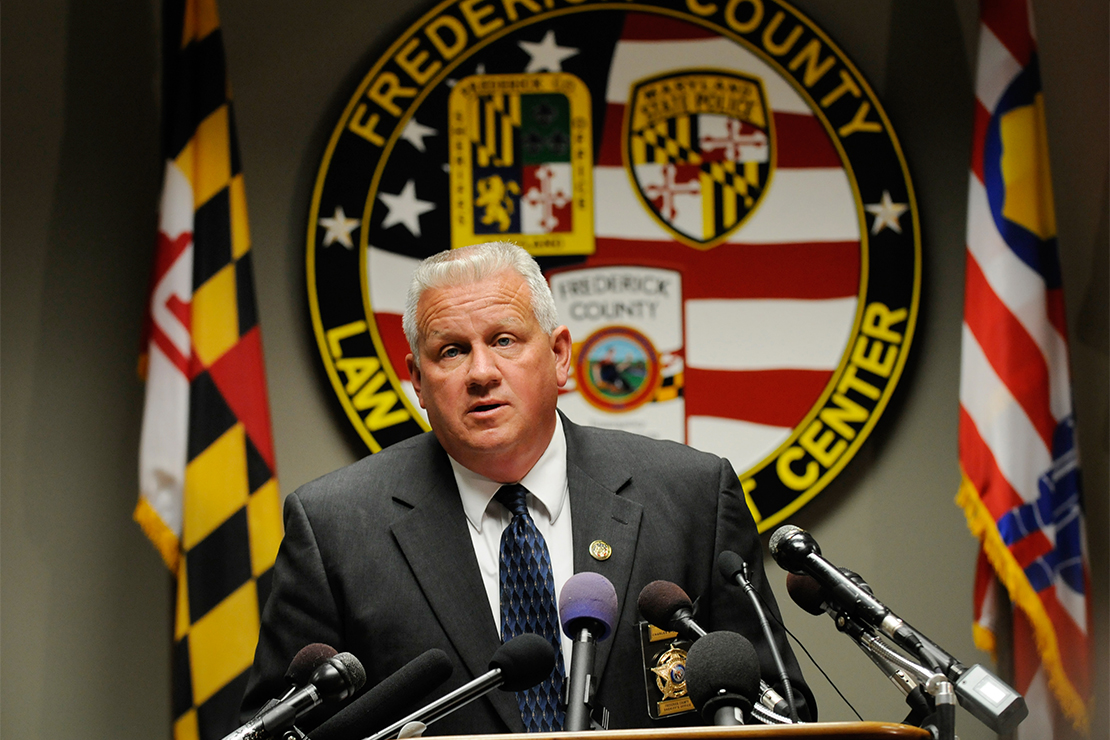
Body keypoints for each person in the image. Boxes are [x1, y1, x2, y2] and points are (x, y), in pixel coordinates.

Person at [241, 241, 815, 733]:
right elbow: (280, 725)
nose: (482, 372)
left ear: (560, 356)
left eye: (506, 340)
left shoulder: (691, 495)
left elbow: (778, 706)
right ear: (417, 379)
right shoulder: (334, 526)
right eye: (451, 351)